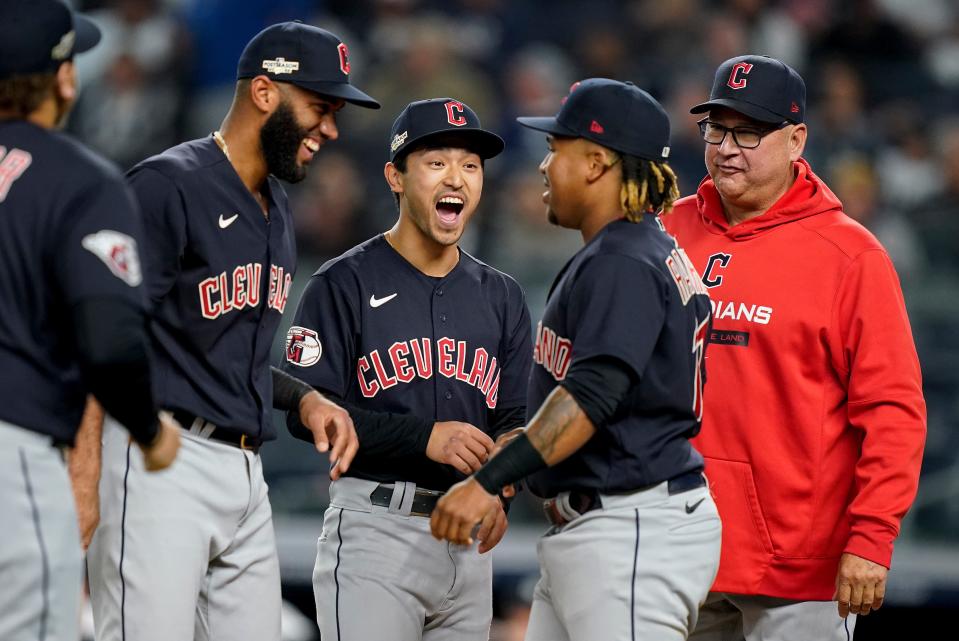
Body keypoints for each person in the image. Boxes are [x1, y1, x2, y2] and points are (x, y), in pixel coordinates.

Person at [85, 21, 379, 641]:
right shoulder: (170, 185)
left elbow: (218, 350)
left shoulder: (279, 209)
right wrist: (86, 476)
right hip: (161, 454)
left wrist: (305, 396)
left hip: (246, 472)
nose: (331, 129)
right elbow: (103, 334)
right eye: (320, 108)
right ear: (265, 93)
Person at [430, 78, 720, 641]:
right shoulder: (636, 248)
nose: (543, 168)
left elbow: (592, 396)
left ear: (595, 163)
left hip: (628, 528)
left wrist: (488, 481)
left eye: (554, 150)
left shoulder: (624, 260)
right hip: (605, 525)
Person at [662, 55, 927, 640]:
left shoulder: (851, 257)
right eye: (716, 128)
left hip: (800, 570)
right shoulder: (666, 234)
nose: (727, 147)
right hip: (675, 549)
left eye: (749, 131)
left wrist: (872, 538)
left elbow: (893, 413)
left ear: (796, 140)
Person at [281, 97, 532, 641]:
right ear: (396, 176)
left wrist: (498, 484)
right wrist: (425, 438)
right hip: (376, 527)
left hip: (469, 537)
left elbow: (515, 417)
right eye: (437, 162)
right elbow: (304, 415)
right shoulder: (342, 282)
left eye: (470, 165)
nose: (458, 179)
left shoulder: (503, 296)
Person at [0, 1, 180, 640]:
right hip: (15, 457)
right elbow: (109, 341)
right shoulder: (78, 177)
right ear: (64, 79)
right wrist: (149, 430)